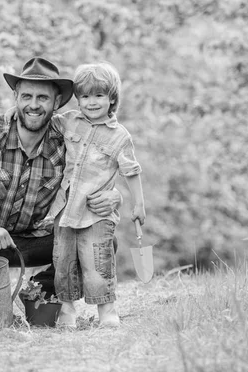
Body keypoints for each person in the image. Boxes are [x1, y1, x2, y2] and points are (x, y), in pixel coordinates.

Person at [0, 57, 121, 297]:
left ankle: (35, 295)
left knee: (102, 241)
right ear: (16, 97)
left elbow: (99, 170)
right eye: (27, 96)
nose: (33, 105)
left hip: (34, 239)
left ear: (56, 102)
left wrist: (113, 195)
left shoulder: (67, 140)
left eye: (42, 98)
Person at [48, 62, 146, 328]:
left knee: (97, 261)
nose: (92, 102)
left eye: (99, 95)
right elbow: (45, 118)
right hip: (66, 208)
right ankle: (67, 310)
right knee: (63, 262)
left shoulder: (118, 136)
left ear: (112, 98)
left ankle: (107, 310)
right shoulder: (69, 121)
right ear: (78, 99)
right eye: (85, 96)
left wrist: (138, 204)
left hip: (96, 212)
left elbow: (131, 171)